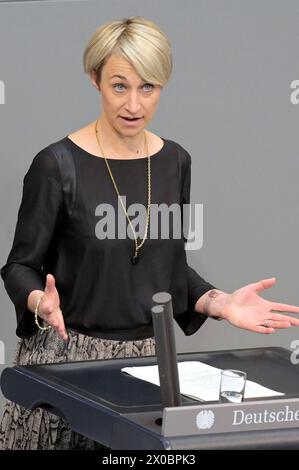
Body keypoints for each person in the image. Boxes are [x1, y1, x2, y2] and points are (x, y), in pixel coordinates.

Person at [1, 16, 299, 451]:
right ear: (95, 78)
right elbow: (19, 267)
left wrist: (220, 302)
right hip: (63, 365)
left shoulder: (175, 161)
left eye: (148, 87)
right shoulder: (56, 164)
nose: (134, 104)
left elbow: (167, 270)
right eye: (120, 85)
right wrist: (37, 302)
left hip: (149, 367)